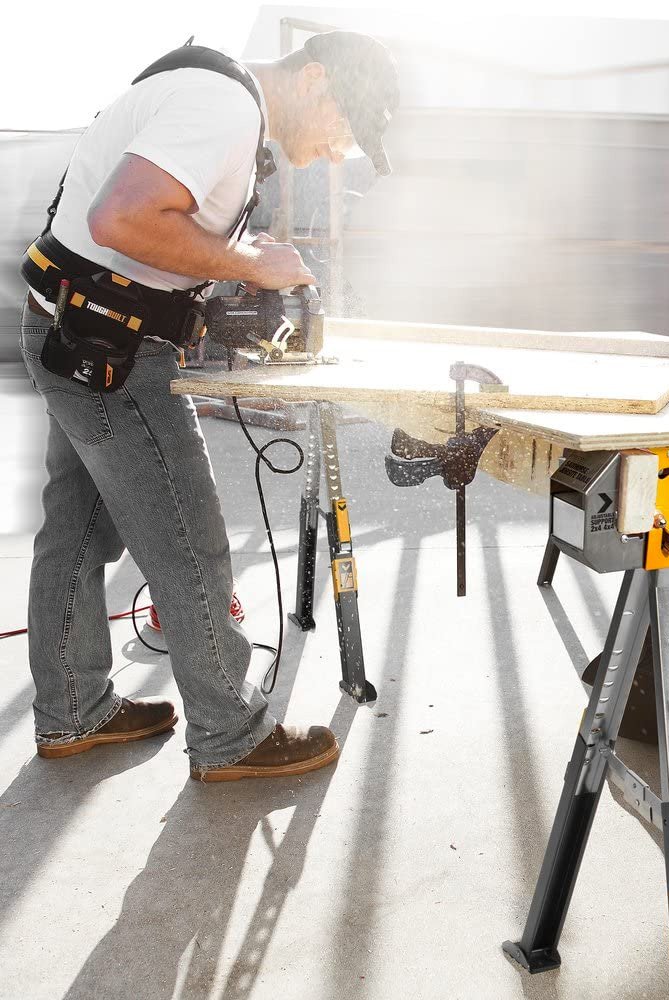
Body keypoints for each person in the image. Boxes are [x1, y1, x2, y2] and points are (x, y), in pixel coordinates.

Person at [18, 32, 398, 781]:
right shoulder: (224, 107)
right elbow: (122, 219)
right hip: (110, 351)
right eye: (341, 134)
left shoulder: (211, 95)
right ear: (316, 79)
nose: (330, 156)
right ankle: (232, 733)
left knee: (79, 526)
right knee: (186, 534)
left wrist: (231, 250)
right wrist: (249, 262)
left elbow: (147, 218)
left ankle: (71, 712)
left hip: (73, 330)